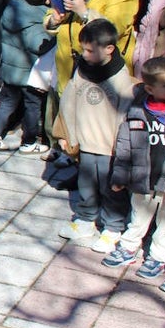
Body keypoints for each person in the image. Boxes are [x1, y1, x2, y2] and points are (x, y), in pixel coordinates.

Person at [55, 18, 136, 252]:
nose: (85, 54)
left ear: (109, 49)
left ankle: (112, 228)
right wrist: (68, 133)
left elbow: (124, 116)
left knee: (112, 189)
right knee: (87, 184)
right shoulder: (83, 69)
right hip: (87, 143)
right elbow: (70, 99)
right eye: (83, 49)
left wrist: (121, 148)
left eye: (90, 50)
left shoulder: (120, 78)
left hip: (109, 146)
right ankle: (85, 220)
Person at [100, 56, 165, 292]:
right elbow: (125, 146)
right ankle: (129, 247)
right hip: (143, 178)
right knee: (139, 216)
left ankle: (157, 257)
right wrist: (120, 176)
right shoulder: (137, 112)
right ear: (149, 89)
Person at [47, 0, 138, 98]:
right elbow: (49, 17)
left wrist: (84, 12)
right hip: (67, 74)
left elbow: (113, 31)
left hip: (103, 81)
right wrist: (53, 21)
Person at [0, 0, 55, 154]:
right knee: (32, 107)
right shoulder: (39, 18)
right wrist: (54, 35)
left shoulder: (13, 8)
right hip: (28, 73)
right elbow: (37, 44)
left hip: (9, 68)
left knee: (7, 103)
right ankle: (29, 142)